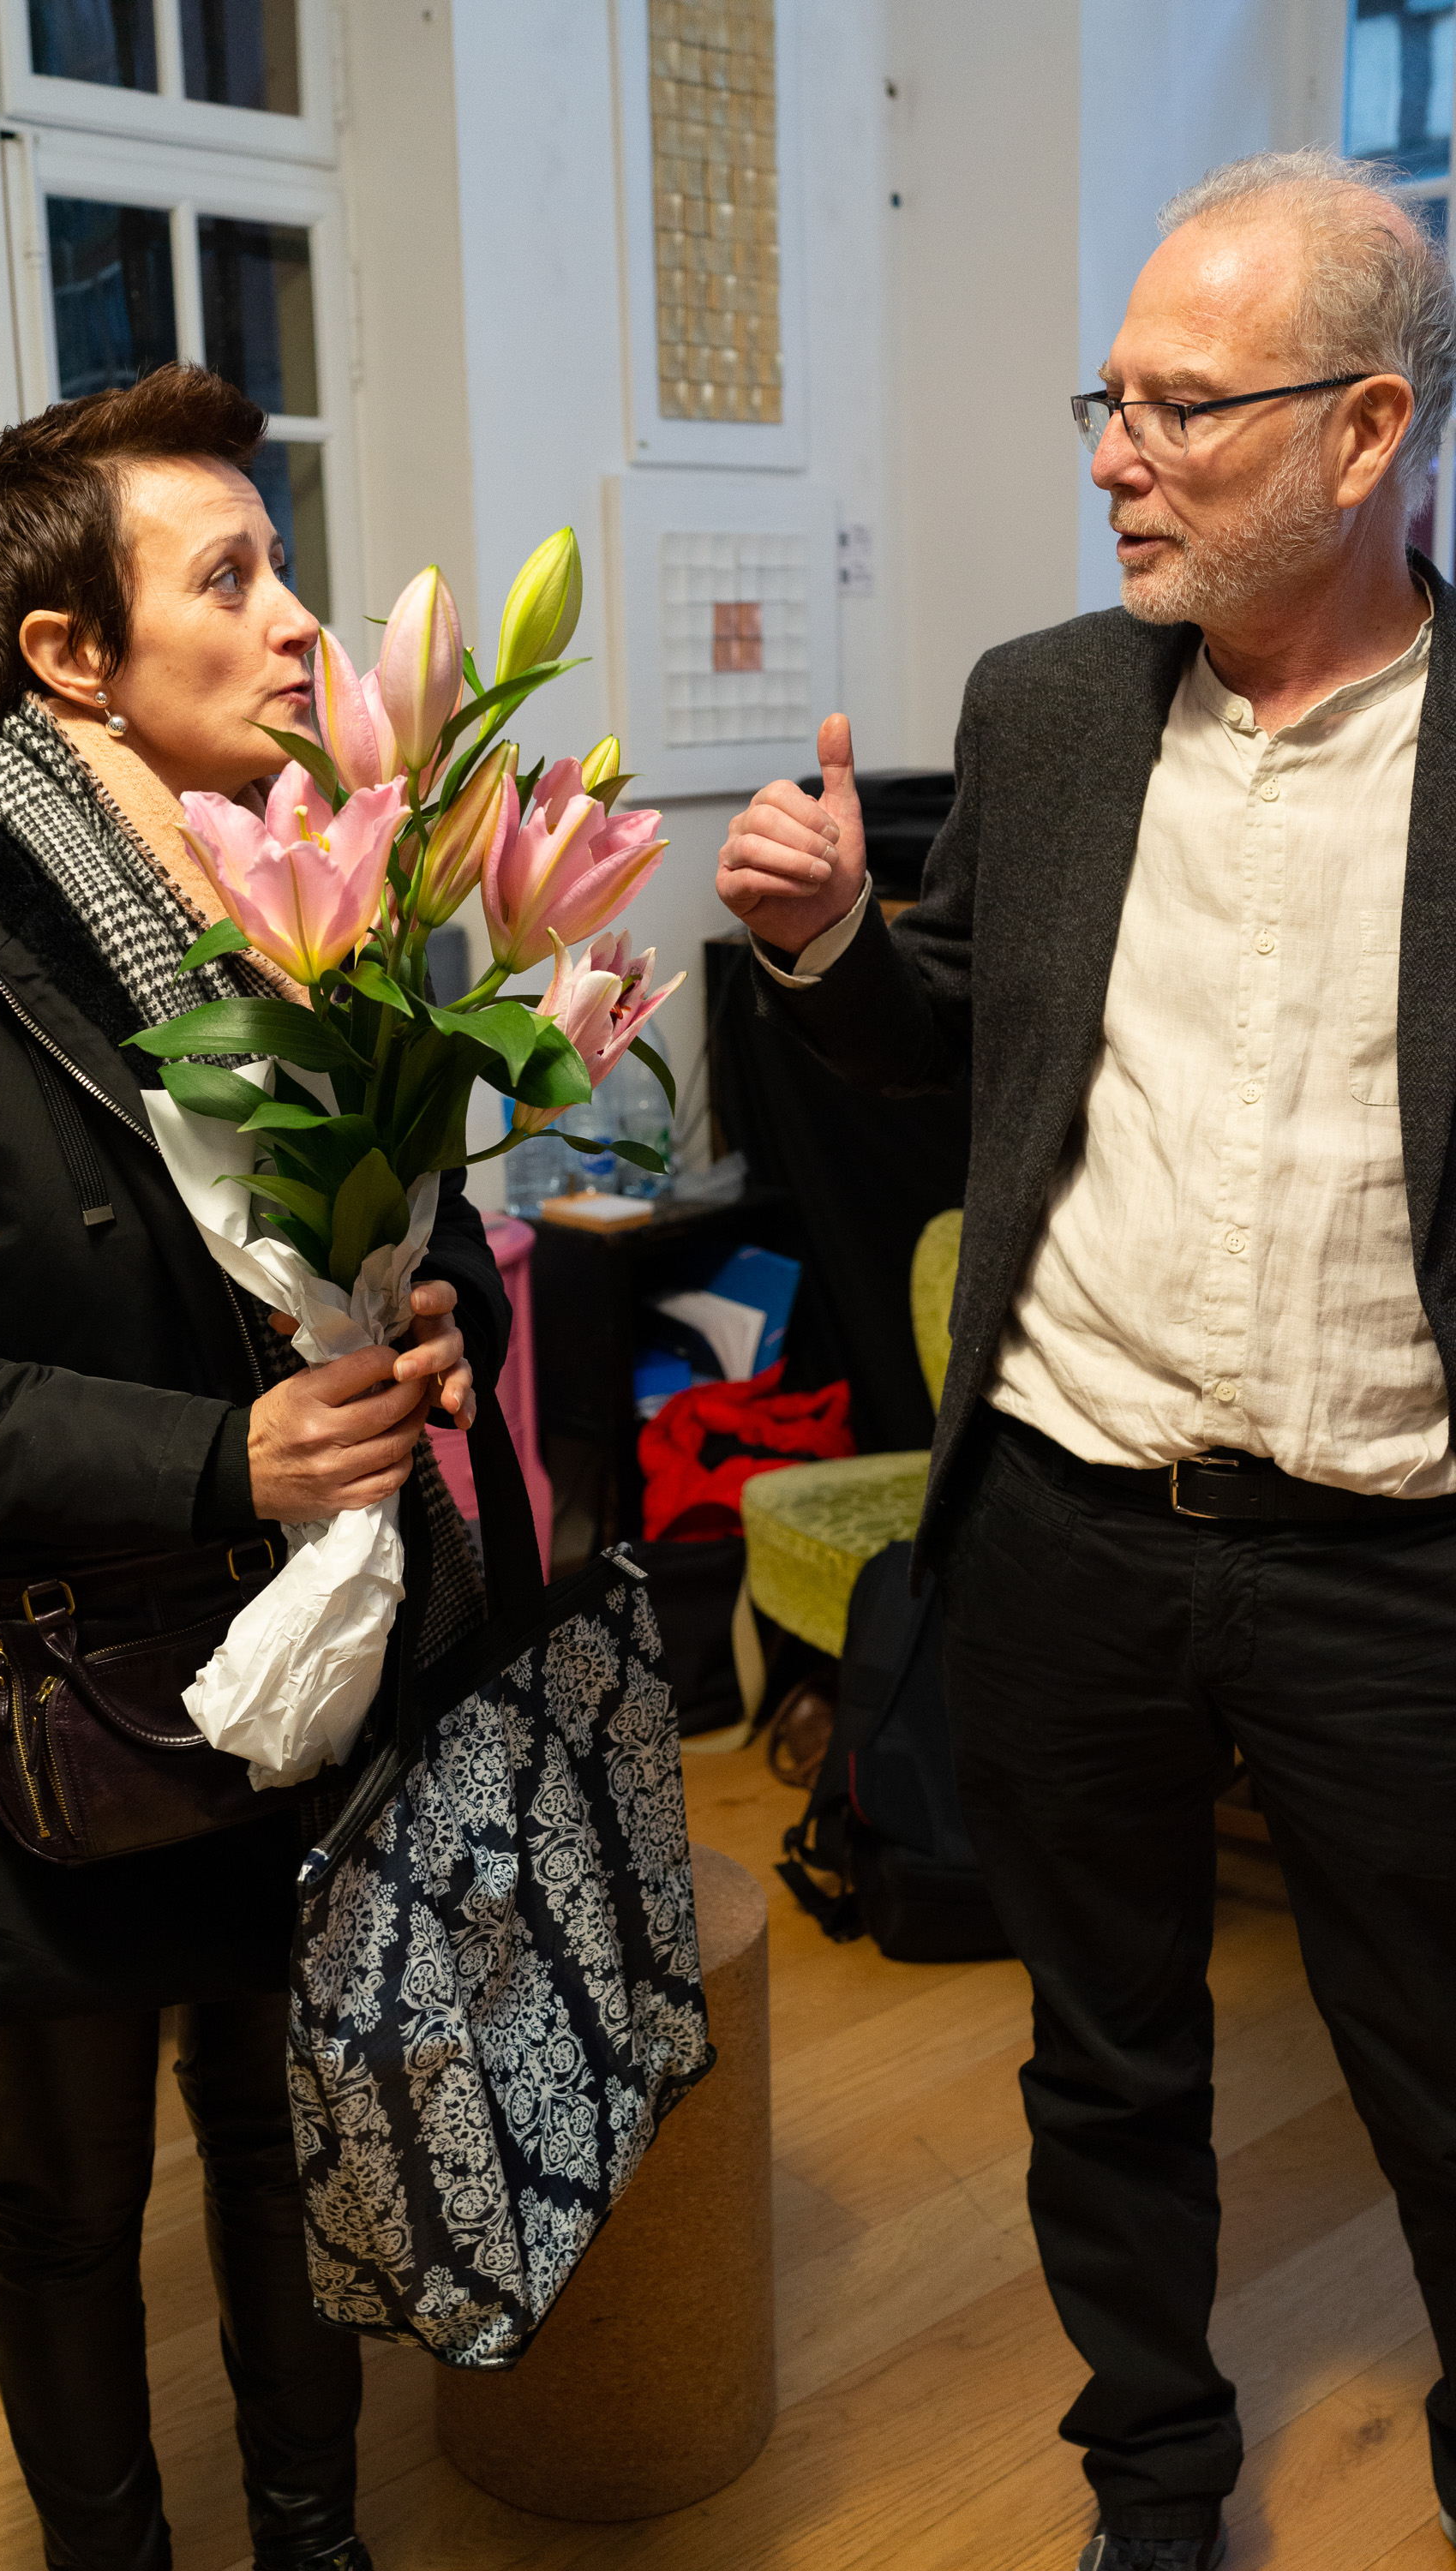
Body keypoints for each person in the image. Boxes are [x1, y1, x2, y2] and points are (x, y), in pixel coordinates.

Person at [719, 147, 1456, 2571]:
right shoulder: (1042, 714)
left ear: (1366, 430)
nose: (1115, 456)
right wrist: (831, 947)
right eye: (1103, 402)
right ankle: (1154, 2491)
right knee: (1104, 2054)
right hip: (1067, 1519)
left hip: (1397, 1569)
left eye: (1181, 407)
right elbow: (967, 1063)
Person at [0, 364, 511, 2571]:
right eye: (230, 577)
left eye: (283, 564)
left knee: (286, 2139)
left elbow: (412, 1217)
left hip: (304, 1663)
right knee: (70, 2195)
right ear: (70, 655)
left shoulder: (325, 896)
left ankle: (313, 2539)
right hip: (29, 1692)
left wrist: (436, 1318)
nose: (300, 620)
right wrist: (218, 1455)